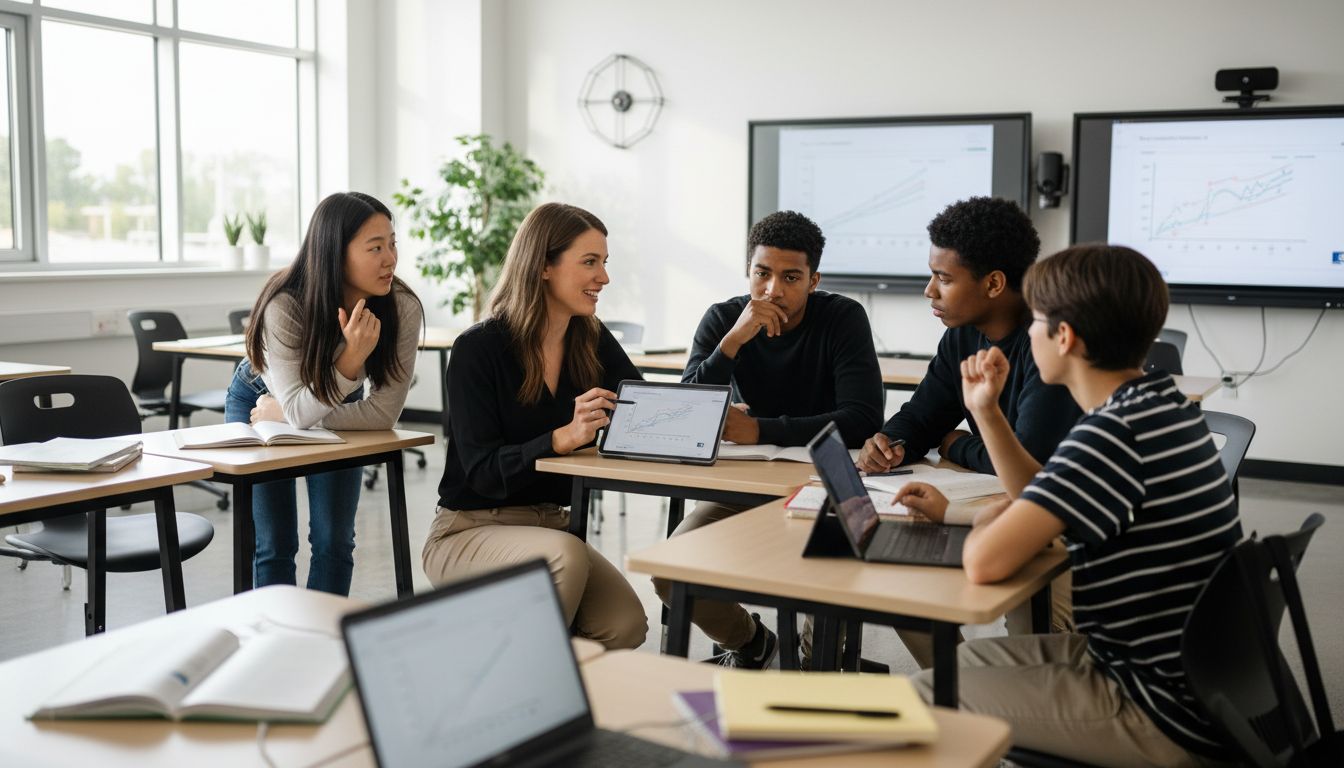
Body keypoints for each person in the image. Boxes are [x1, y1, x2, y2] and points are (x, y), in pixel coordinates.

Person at [900, 245, 1241, 767]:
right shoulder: (1159, 405)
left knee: (924, 697)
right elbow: (1039, 495)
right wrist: (986, 413)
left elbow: (985, 562)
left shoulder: (1108, 436)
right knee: (965, 661)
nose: (1027, 334)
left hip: (1152, 705)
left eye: (1035, 321)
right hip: (1189, 676)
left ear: (1065, 337)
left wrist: (990, 520)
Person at [852, 196, 1081, 667]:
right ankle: (959, 687)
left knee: (1027, 629)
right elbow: (923, 415)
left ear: (993, 283)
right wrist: (891, 442)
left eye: (944, 278)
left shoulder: (1045, 344)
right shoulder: (961, 335)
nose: (929, 291)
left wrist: (958, 444)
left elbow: (1026, 461)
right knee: (899, 586)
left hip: (1057, 533)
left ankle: (998, 692)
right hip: (999, 507)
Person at [653, 209, 884, 668]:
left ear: (813, 281)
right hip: (744, 490)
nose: (773, 289)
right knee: (669, 571)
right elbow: (684, 415)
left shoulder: (843, 318)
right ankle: (753, 643)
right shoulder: (723, 318)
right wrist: (732, 343)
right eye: (762, 274)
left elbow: (862, 418)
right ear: (748, 271)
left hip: (828, 491)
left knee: (828, 576)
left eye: (790, 277)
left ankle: (814, 667)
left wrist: (760, 429)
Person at [421, 202, 647, 650]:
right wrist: (560, 439)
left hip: (549, 527)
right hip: (468, 531)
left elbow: (644, 407)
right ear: (544, 266)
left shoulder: (591, 337)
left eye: (604, 262)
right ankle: (518, 677)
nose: (604, 277)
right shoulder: (478, 349)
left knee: (624, 625)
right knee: (563, 557)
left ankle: (537, 660)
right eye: (590, 262)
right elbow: (482, 471)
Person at [226, 191, 423, 596]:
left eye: (392, 244)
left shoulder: (402, 307)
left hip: (297, 405)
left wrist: (290, 414)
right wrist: (348, 360)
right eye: (375, 247)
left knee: (335, 540)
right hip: (259, 400)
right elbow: (298, 408)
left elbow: (383, 415)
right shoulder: (285, 304)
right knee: (275, 544)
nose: (390, 258)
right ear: (336, 252)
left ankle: (325, 631)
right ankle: (277, 632)